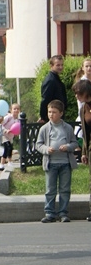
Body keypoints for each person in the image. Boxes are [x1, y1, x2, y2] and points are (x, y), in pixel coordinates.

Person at [36, 100, 78, 223]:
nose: (51, 114)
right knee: (50, 189)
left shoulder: (67, 128)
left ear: (61, 113)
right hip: (51, 163)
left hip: (65, 163)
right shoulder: (44, 128)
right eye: (49, 112)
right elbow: (38, 145)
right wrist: (46, 149)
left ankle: (63, 213)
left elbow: (74, 143)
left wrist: (68, 147)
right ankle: (49, 213)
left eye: (54, 112)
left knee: (65, 189)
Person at [72, 79, 91, 221]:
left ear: (86, 92)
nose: (76, 96)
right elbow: (86, 133)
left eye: (78, 93)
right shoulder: (83, 108)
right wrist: (84, 152)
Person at [39, 54, 67, 123]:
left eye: (62, 65)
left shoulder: (55, 78)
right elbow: (45, 99)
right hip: (52, 117)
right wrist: (43, 117)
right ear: (51, 66)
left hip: (57, 115)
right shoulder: (50, 80)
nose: (60, 67)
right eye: (58, 65)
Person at [0, 103, 21, 171]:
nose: (16, 110)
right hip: (4, 135)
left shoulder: (18, 120)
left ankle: (1, 164)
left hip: (10, 137)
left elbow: (17, 129)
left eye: (17, 109)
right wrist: (5, 130)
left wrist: (17, 133)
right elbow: (0, 125)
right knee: (8, 147)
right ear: (11, 110)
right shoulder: (8, 117)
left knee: (8, 149)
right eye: (14, 109)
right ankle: (10, 162)